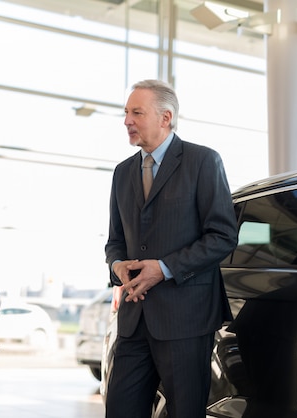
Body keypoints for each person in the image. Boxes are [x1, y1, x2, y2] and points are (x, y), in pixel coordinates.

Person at [104, 79, 238, 418]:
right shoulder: (122, 173)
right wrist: (117, 265)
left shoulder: (203, 161)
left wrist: (163, 268)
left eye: (136, 112)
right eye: (126, 113)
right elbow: (115, 240)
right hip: (135, 319)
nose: (127, 121)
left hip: (186, 319)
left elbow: (223, 235)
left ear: (165, 117)